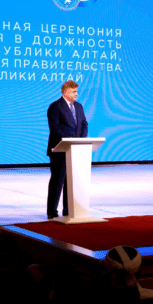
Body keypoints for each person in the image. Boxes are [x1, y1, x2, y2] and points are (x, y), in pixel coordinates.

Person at [46, 80, 88, 219]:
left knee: (71, 182)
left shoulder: (79, 106)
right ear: (65, 92)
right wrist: (69, 140)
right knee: (57, 181)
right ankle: (52, 211)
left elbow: (84, 124)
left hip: (75, 150)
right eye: (73, 91)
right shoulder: (55, 106)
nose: (76, 94)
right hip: (60, 150)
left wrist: (80, 140)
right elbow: (55, 128)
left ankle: (68, 210)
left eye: (77, 91)